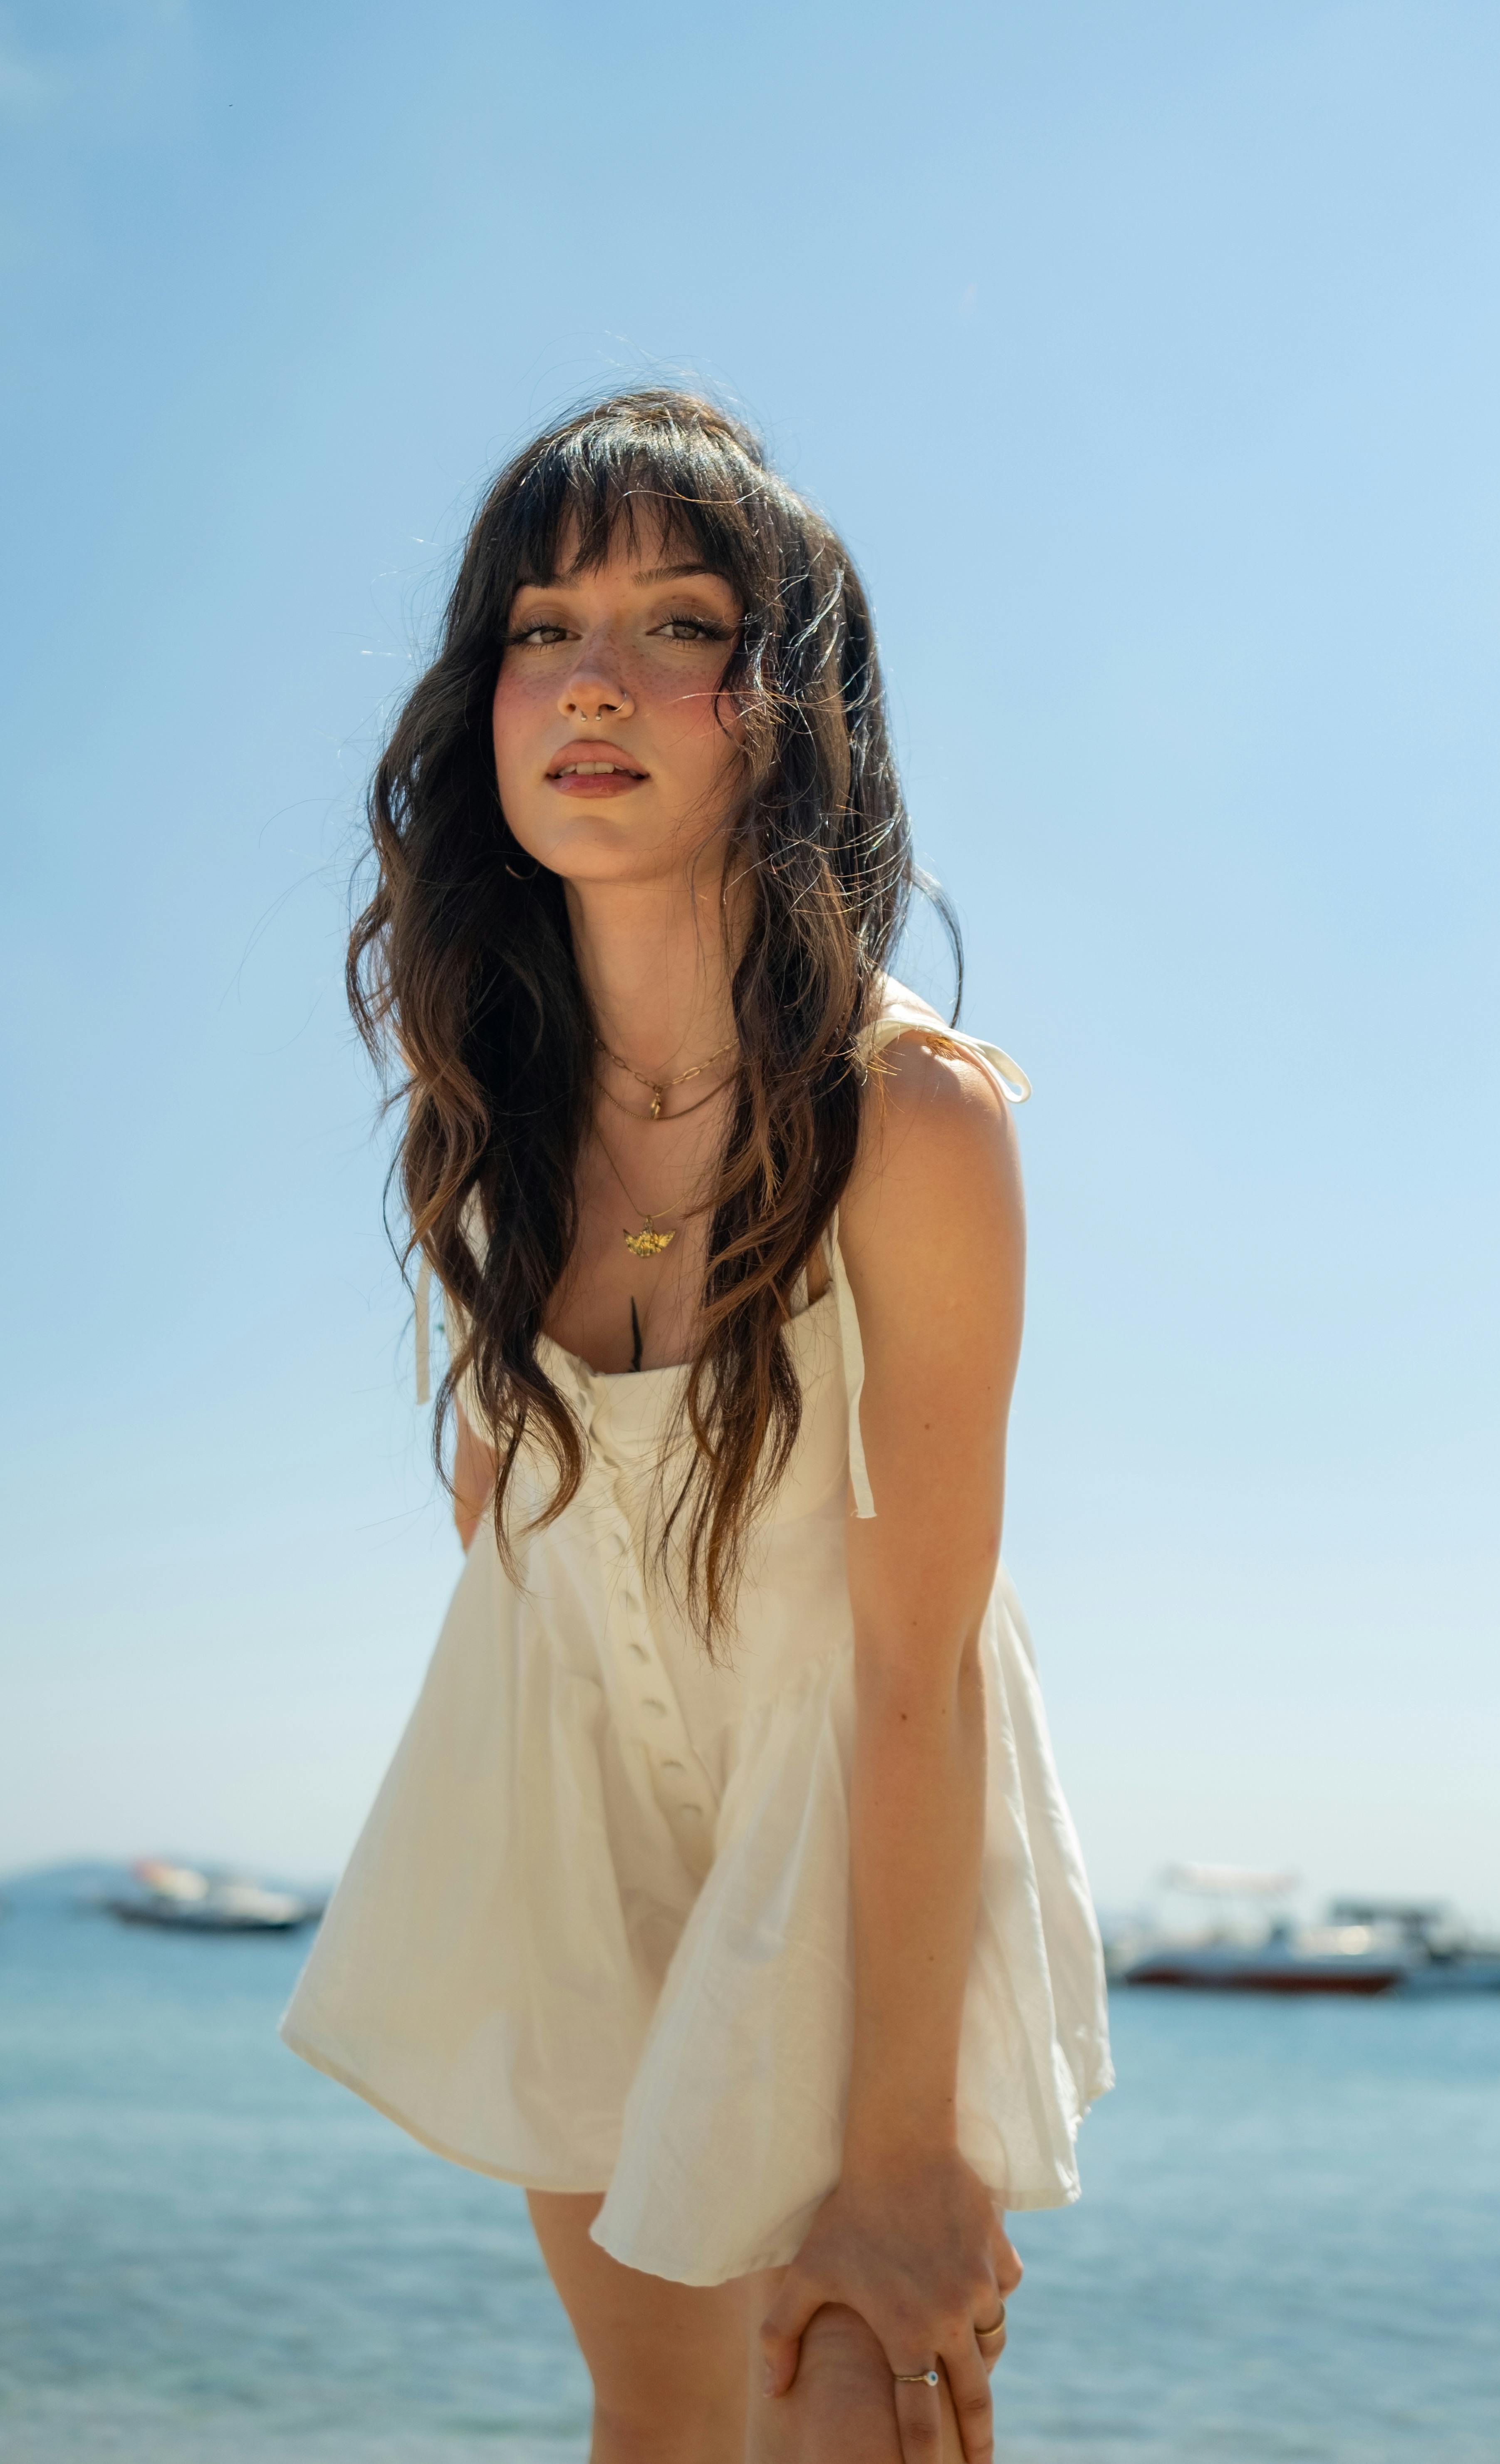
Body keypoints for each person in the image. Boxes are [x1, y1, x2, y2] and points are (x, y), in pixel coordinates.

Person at [282, 388, 1111, 2462]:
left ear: (787, 706)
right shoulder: (486, 1139)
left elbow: (912, 1661)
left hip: (857, 1876)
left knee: (856, 2419)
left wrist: (904, 2150)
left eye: (678, 624)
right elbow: (515, 1548)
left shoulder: (910, 1121)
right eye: (544, 625)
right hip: (584, 1862)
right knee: (655, 2432)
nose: (594, 678)